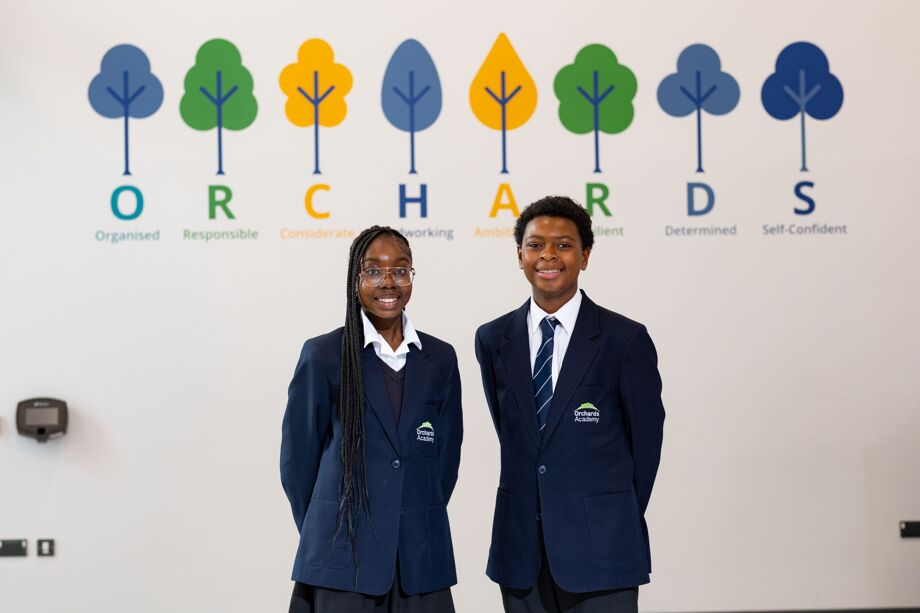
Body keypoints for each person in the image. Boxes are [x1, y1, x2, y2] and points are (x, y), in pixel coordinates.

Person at [474, 196, 665, 613]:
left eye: (563, 245)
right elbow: (515, 435)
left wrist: (610, 516)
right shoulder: (493, 339)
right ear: (520, 256)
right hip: (520, 550)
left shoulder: (624, 340)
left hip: (603, 550)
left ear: (585, 256)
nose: (548, 255)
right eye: (535, 245)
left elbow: (646, 447)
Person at [281, 226, 462, 612]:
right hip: (343, 559)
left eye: (400, 270)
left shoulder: (440, 358)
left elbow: (445, 462)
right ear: (356, 278)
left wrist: (406, 515)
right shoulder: (324, 355)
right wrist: (329, 529)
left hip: (419, 559)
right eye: (374, 271)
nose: (388, 282)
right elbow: (298, 464)